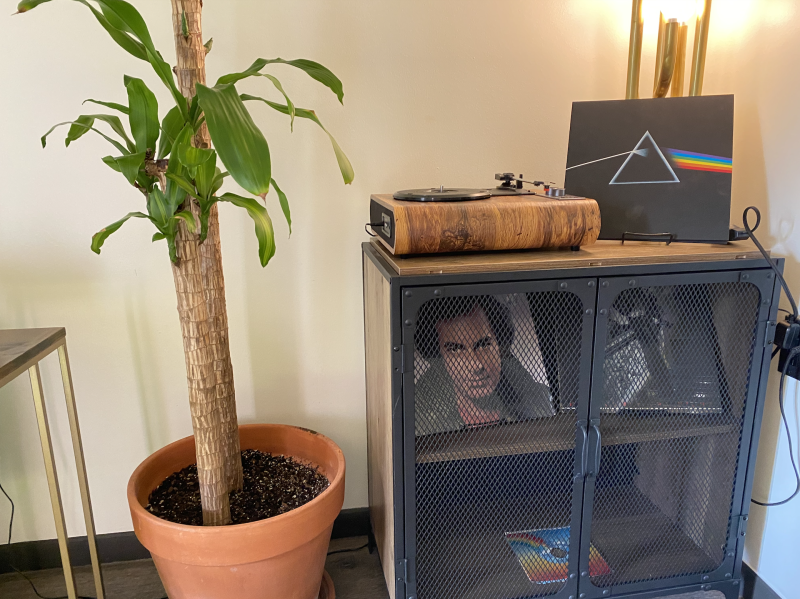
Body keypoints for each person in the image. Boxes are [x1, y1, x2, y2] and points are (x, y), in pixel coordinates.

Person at [414, 296, 554, 436]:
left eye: (483, 345)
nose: (476, 364)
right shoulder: (418, 416)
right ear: (439, 357)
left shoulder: (541, 398)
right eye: (456, 349)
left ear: (500, 346)